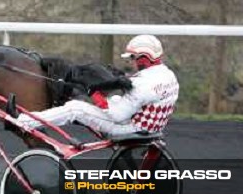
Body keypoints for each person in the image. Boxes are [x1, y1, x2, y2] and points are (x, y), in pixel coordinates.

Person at [15, 34, 179, 138]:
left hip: (130, 129)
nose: (131, 62)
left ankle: (24, 122)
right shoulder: (168, 75)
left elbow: (116, 116)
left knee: (75, 108)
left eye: (133, 58)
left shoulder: (142, 84)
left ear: (143, 59)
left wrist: (94, 92)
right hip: (151, 125)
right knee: (114, 98)